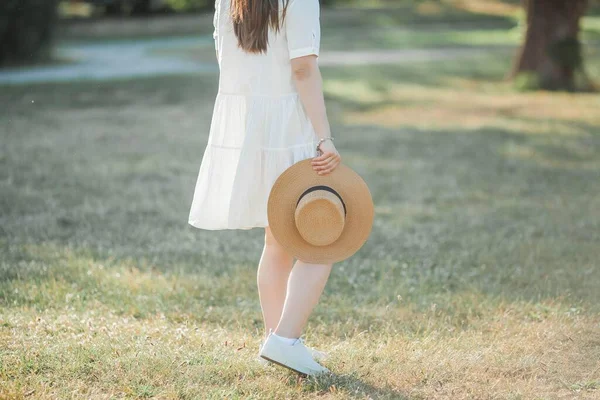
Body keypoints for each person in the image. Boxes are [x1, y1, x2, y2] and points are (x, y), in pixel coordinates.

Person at [188, 0, 340, 376]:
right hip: (288, 129)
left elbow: (229, 60)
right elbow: (303, 69)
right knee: (322, 240)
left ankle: (279, 341)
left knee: (277, 242)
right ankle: (285, 340)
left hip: (249, 128)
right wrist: (325, 137)